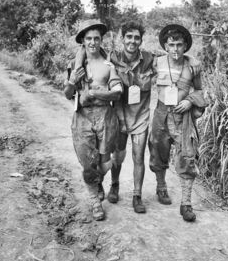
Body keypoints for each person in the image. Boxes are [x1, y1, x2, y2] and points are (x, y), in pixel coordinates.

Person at [64, 19, 123, 221]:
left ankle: (98, 182)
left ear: (101, 40)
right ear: (82, 41)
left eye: (96, 38)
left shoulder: (108, 64)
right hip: (82, 117)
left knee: (105, 162)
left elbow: (117, 91)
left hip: (105, 116)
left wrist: (96, 94)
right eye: (88, 38)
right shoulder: (75, 64)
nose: (92, 42)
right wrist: (73, 81)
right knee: (88, 163)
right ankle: (95, 203)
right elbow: (67, 93)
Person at [148, 24, 207, 222]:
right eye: (171, 45)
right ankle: (161, 187)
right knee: (157, 150)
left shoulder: (193, 66)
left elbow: (199, 91)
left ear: (185, 46)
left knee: (187, 156)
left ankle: (186, 204)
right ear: (165, 46)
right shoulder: (156, 63)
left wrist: (189, 100)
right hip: (161, 113)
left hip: (183, 117)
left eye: (179, 45)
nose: (175, 49)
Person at [106, 20, 155, 213]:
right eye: (129, 37)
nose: (132, 41)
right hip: (118, 116)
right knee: (117, 156)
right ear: (122, 38)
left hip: (140, 117)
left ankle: (137, 196)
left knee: (138, 157)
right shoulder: (112, 58)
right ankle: (114, 184)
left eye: (136, 37)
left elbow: (172, 65)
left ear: (141, 40)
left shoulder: (150, 59)